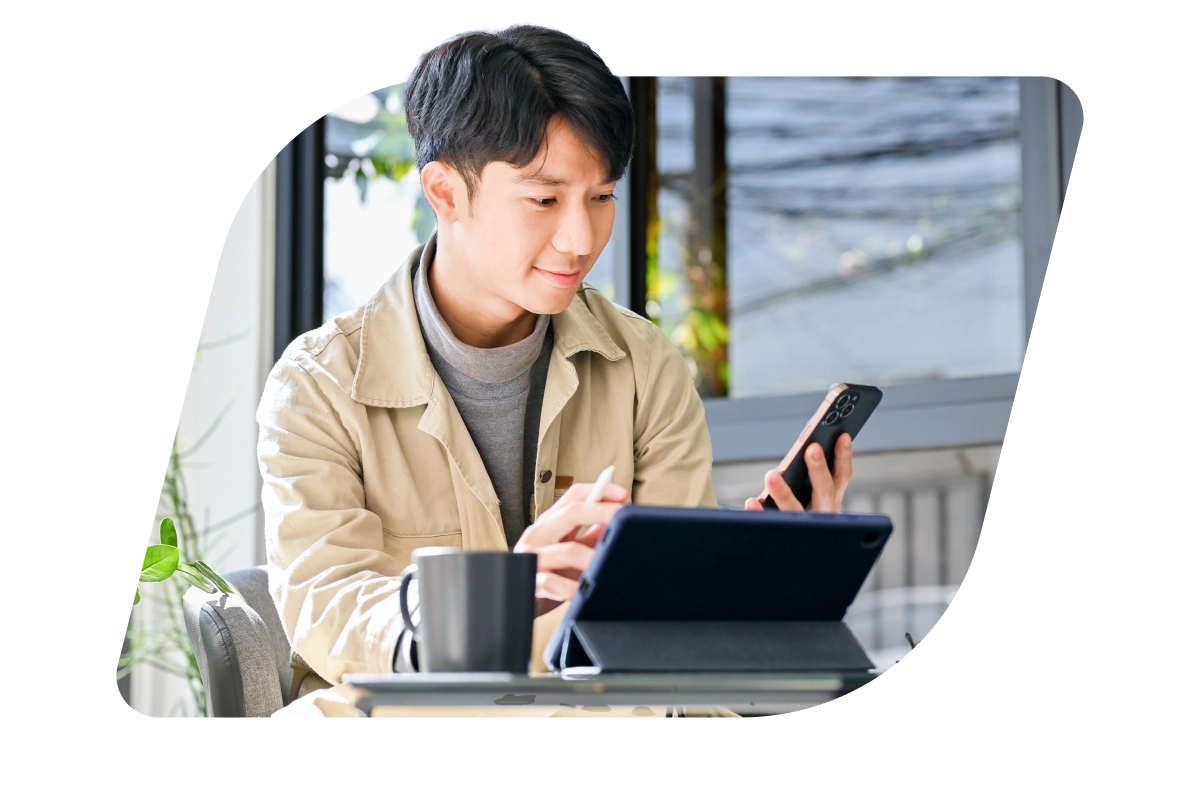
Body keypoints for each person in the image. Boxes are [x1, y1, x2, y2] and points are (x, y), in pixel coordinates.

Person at [256, 23, 854, 716]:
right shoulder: (318, 385)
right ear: (446, 193)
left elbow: (669, 637)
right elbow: (327, 608)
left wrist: (767, 586)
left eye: (601, 198)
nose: (580, 239)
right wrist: (494, 599)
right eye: (545, 199)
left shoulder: (644, 366)